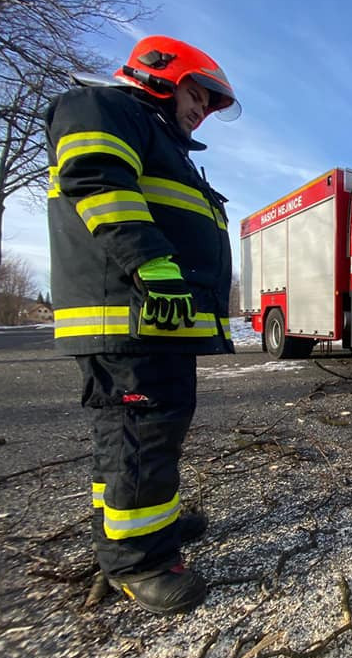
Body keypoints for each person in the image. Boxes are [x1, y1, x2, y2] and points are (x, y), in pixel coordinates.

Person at [46, 35, 239, 615]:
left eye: (209, 104)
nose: (201, 110)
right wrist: (152, 264)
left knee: (146, 432)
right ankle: (139, 563)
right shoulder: (104, 108)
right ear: (161, 74)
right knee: (139, 433)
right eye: (197, 95)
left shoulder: (155, 136)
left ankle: (145, 525)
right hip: (130, 315)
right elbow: (98, 180)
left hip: (154, 321)